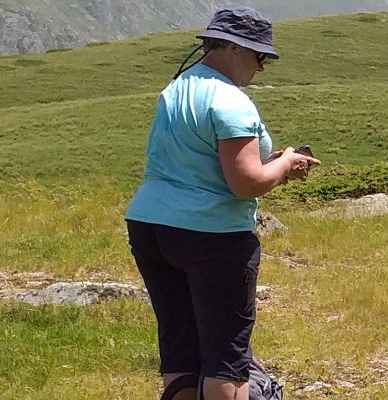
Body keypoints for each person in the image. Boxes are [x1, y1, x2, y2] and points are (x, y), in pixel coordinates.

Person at [124, 7, 318, 400]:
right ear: (232, 47)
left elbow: (199, 162)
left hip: (151, 227)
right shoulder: (232, 100)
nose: (261, 67)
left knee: (180, 349)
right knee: (225, 362)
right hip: (212, 235)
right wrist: (283, 163)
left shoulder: (176, 87)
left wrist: (271, 164)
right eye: (258, 56)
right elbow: (246, 183)